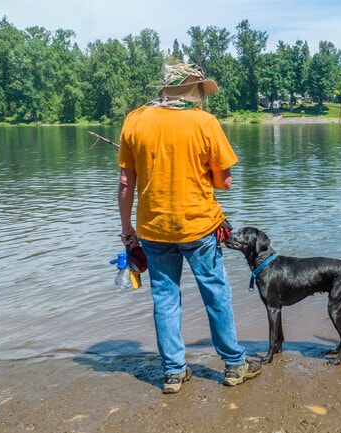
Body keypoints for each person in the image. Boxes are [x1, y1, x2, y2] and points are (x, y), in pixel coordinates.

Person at [117, 64, 261, 393]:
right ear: (193, 92)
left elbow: (126, 182)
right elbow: (224, 181)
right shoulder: (203, 122)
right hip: (198, 227)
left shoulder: (135, 119)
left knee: (165, 299)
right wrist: (197, 172)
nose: (202, 100)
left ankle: (173, 372)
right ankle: (235, 365)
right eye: (200, 94)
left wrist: (127, 229)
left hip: (152, 229)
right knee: (216, 295)